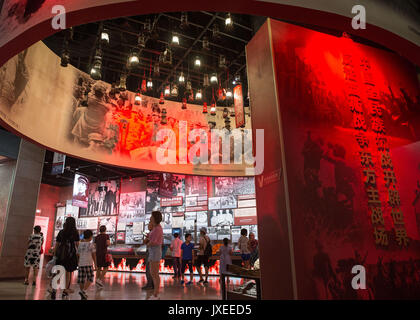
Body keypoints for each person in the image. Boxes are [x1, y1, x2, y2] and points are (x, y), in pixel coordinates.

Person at [53, 217, 80, 299]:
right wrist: (78, 255)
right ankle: (65, 291)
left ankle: (54, 290)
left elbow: (57, 244)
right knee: (68, 272)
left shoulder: (61, 232)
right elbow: (77, 245)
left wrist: (55, 254)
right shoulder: (75, 232)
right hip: (70, 255)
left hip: (61, 255)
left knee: (58, 272)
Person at [147, 211, 163, 300]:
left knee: (155, 273)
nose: (150, 218)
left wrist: (149, 243)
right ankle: (155, 294)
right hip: (153, 251)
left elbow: (155, 242)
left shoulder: (157, 229)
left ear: (155, 218)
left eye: (151, 216)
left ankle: (156, 294)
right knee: (153, 273)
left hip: (155, 251)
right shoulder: (156, 228)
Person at [77, 230, 97, 300]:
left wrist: (78, 262)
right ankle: (84, 290)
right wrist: (96, 265)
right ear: (91, 237)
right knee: (90, 277)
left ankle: (82, 292)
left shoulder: (80, 244)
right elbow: (94, 255)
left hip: (81, 264)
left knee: (81, 279)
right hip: (88, 263)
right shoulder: (91, 245)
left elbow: (78, 254)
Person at [142, 221, 154, 290]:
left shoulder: (152, 233)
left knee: (149, 268)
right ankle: (152, 284)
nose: (148, 226)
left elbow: (145, 242)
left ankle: (150, 284)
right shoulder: (151, 233)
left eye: (149, 225)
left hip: (151, 252)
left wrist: (147, 238)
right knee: (151, 269)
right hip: (152, 252)